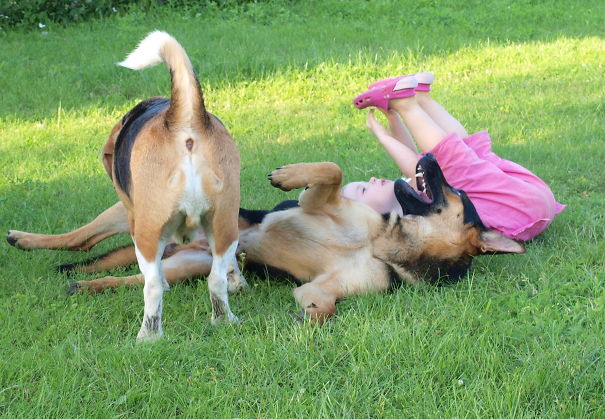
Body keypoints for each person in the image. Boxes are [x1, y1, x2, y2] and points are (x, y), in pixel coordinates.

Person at [341, 72, 565, 241]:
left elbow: (411, 159)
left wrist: (391, 116)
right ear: (371, 218)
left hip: (524, 196)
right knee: (450, 161)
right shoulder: (413, 217)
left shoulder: (411, 192)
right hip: (520, 208)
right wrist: (382, 135)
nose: (370, 180)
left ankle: (419, 98)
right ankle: (408, 103)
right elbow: (415, 166)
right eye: (363, 189)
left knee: (464, 154)